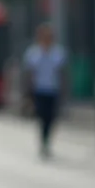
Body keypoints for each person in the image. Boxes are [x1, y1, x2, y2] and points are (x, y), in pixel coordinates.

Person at [23, 23, 68, 159]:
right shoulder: (33, 53)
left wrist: (65, 91)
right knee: (42, 117)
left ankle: (47, 140)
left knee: (51, 118)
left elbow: (63, 73)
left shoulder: (58, 53)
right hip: (39, 91)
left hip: (53, 90)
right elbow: (29, 74)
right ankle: (43, 141)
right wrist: (28, 94)